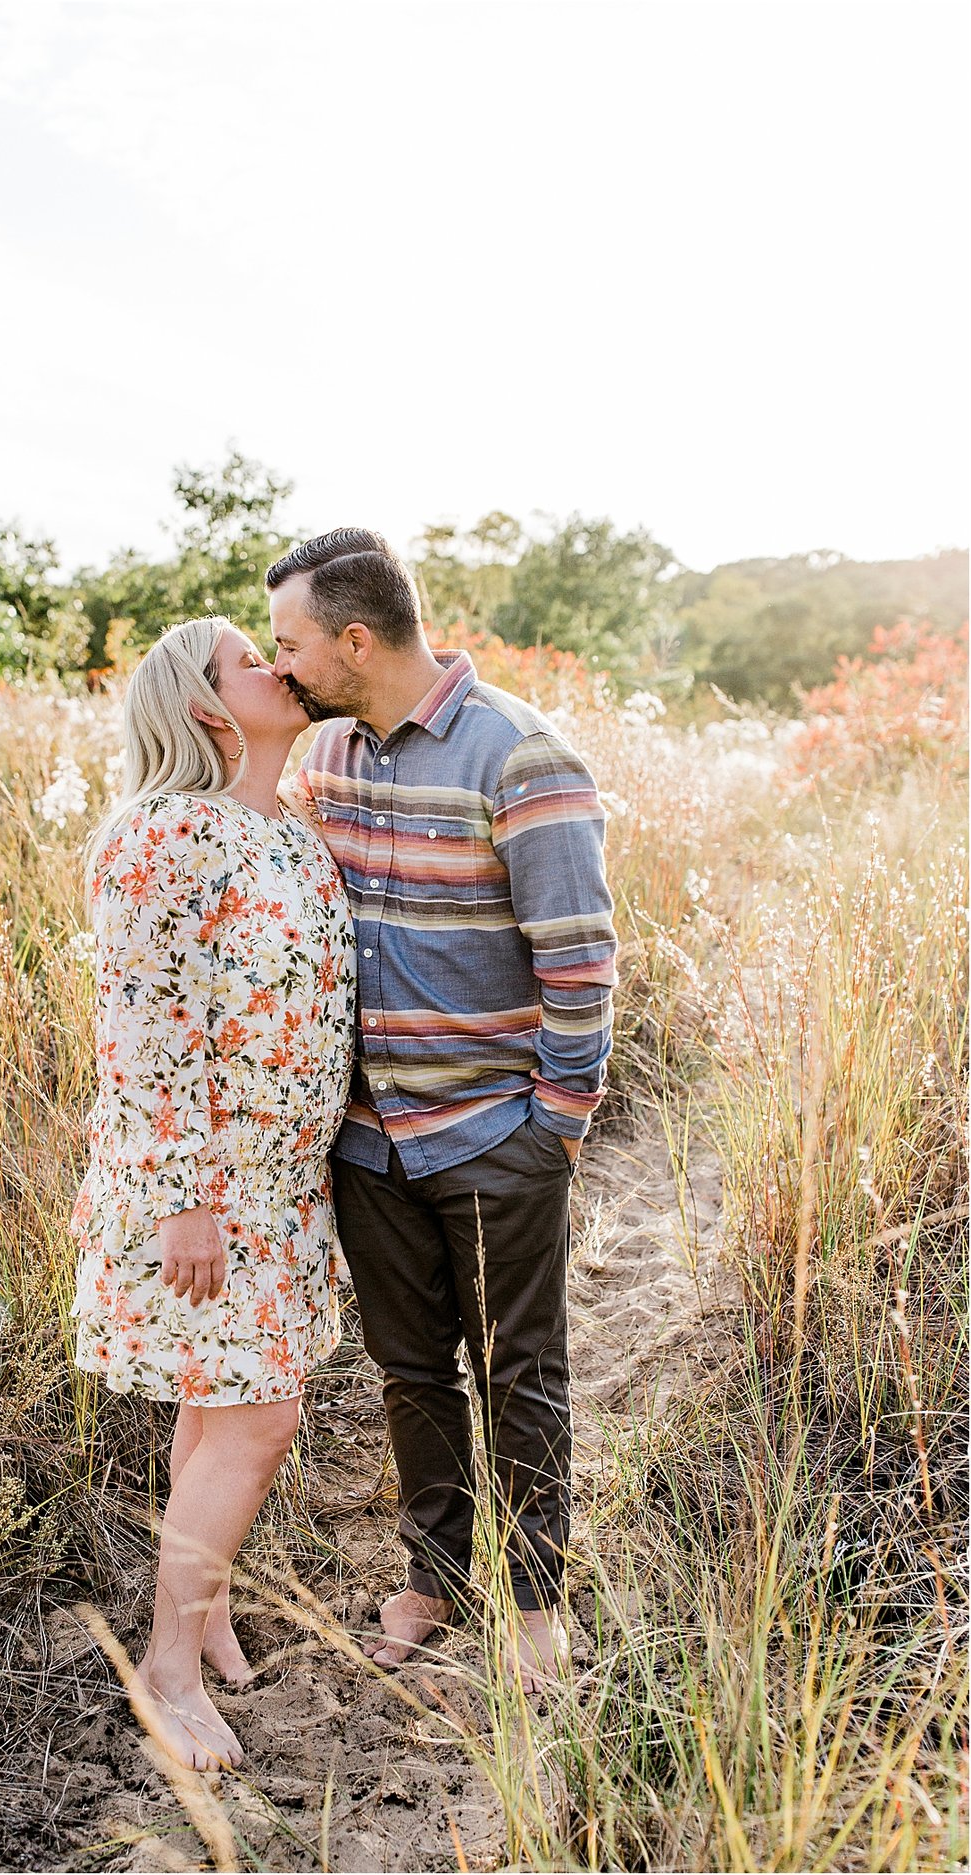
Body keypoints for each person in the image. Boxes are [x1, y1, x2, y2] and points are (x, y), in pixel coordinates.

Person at [266, 527, 615, 1694]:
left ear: (355, 640)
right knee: (409, 1374)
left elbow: (577, 962)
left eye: (294, 645)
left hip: (493, 1134)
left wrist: (551, 1128)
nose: (282, 668)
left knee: (522, 1371)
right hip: (368, 1141)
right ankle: (432, 1579)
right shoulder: (327, 757)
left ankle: (533, 1603)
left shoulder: (521, 758)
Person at [69, 615, 357, 1769]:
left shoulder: (288, 828)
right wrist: (188, 1195)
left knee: (214, 1403)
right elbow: (143, 1029)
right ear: (201, 705)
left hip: (285, 1186)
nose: (278, 669)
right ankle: (167, 1674)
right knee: (260, 1416)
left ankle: (206, 1609)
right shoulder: (163, 834)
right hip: (200, 1187)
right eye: (252, 660)